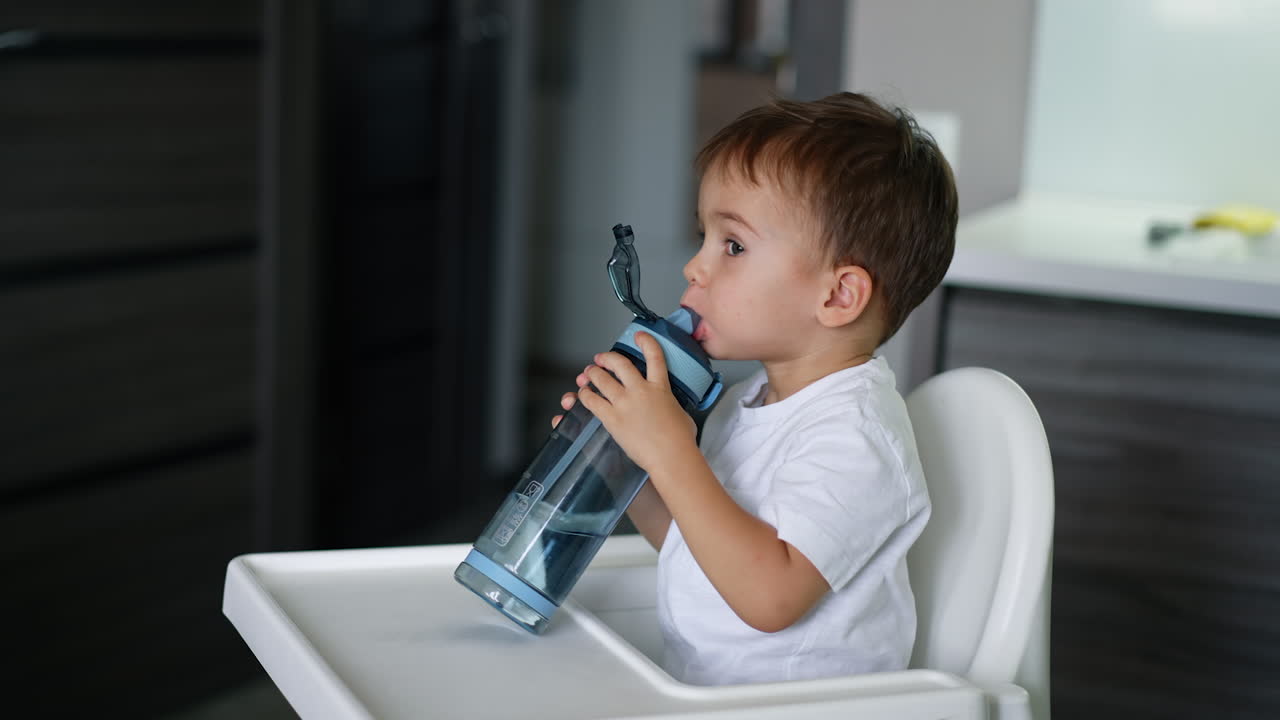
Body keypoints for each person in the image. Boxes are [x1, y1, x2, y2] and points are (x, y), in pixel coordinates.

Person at [551, 92, 957, 686]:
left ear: (838, 296)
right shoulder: (751, 401)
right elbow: (700, 550)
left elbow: (769, 596)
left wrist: (669, 450)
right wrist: (627, 465)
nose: (695, 267)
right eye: (704, 238)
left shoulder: (859, 436)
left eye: (733, 246)